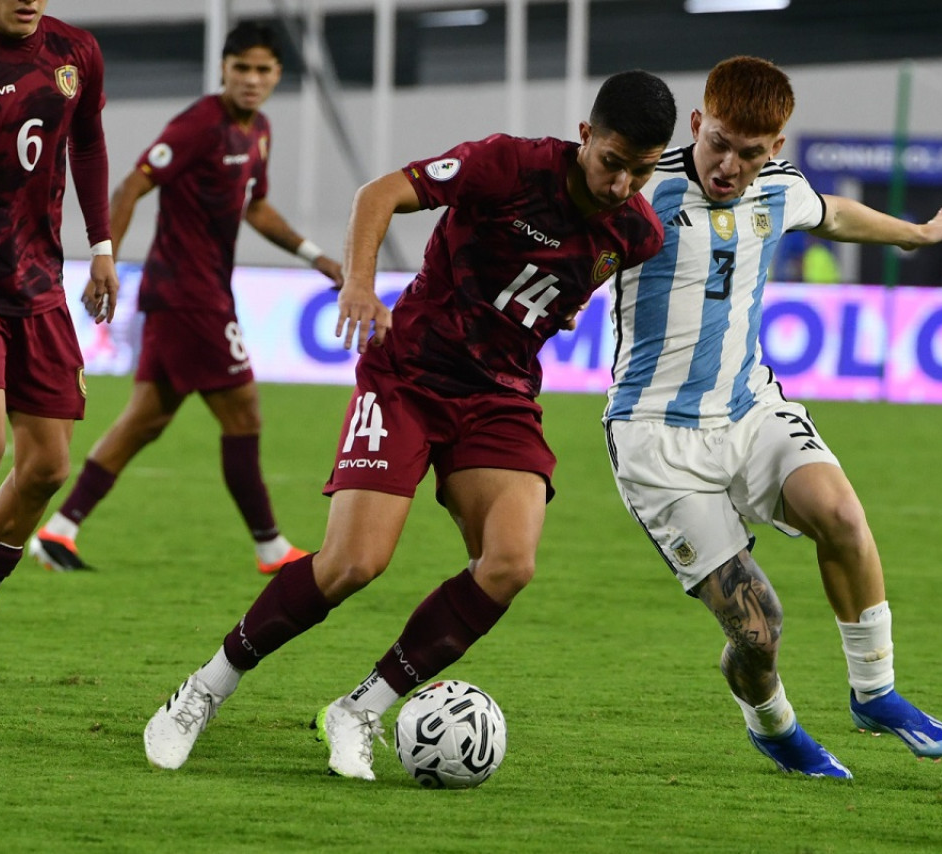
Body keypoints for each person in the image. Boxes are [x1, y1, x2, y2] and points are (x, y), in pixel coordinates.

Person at [141, 69, 677, 778]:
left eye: (640, 171)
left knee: (510, 563)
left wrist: (562, 303)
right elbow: (381, 193)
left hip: (500, 397)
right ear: (585, 136)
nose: (620, 184)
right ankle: (204, 690)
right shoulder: (507, 164)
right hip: (411, 378)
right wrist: (361, 284)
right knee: (353, 564)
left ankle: (360, 708)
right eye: (612, 162)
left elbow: (577, 276)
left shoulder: (638, 231)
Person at [603, 56, 942, 779]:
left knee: (842, 515)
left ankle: (876, 692)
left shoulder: (780, 188)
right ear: (698, 125)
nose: (730, 166)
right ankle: (773, 727)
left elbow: (831, 212)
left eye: (752, 152)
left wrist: (913, 236)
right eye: (720, 144)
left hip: (749, 408)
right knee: (759, 627)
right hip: (656, 437)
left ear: (775, 149)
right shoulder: (640, 193)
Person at [25, 23, 343, 576]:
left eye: (263, 69)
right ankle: (271, 547)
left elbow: (256, 206)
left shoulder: (259, 130)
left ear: (277, 76)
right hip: (187, 295)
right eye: (241, 67)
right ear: (223, 69)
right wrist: (106, 259)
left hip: (198, 292)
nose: (251, 79)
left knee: (144, 419)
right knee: (243, 413)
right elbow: (132, 185)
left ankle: (60, 529)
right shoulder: (200, 124)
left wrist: (316, 256)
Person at [0, 0, 119, 683]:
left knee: (48, 466)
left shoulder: (75, 52)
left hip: (39, 283)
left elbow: (87, 142)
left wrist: (102, 246)